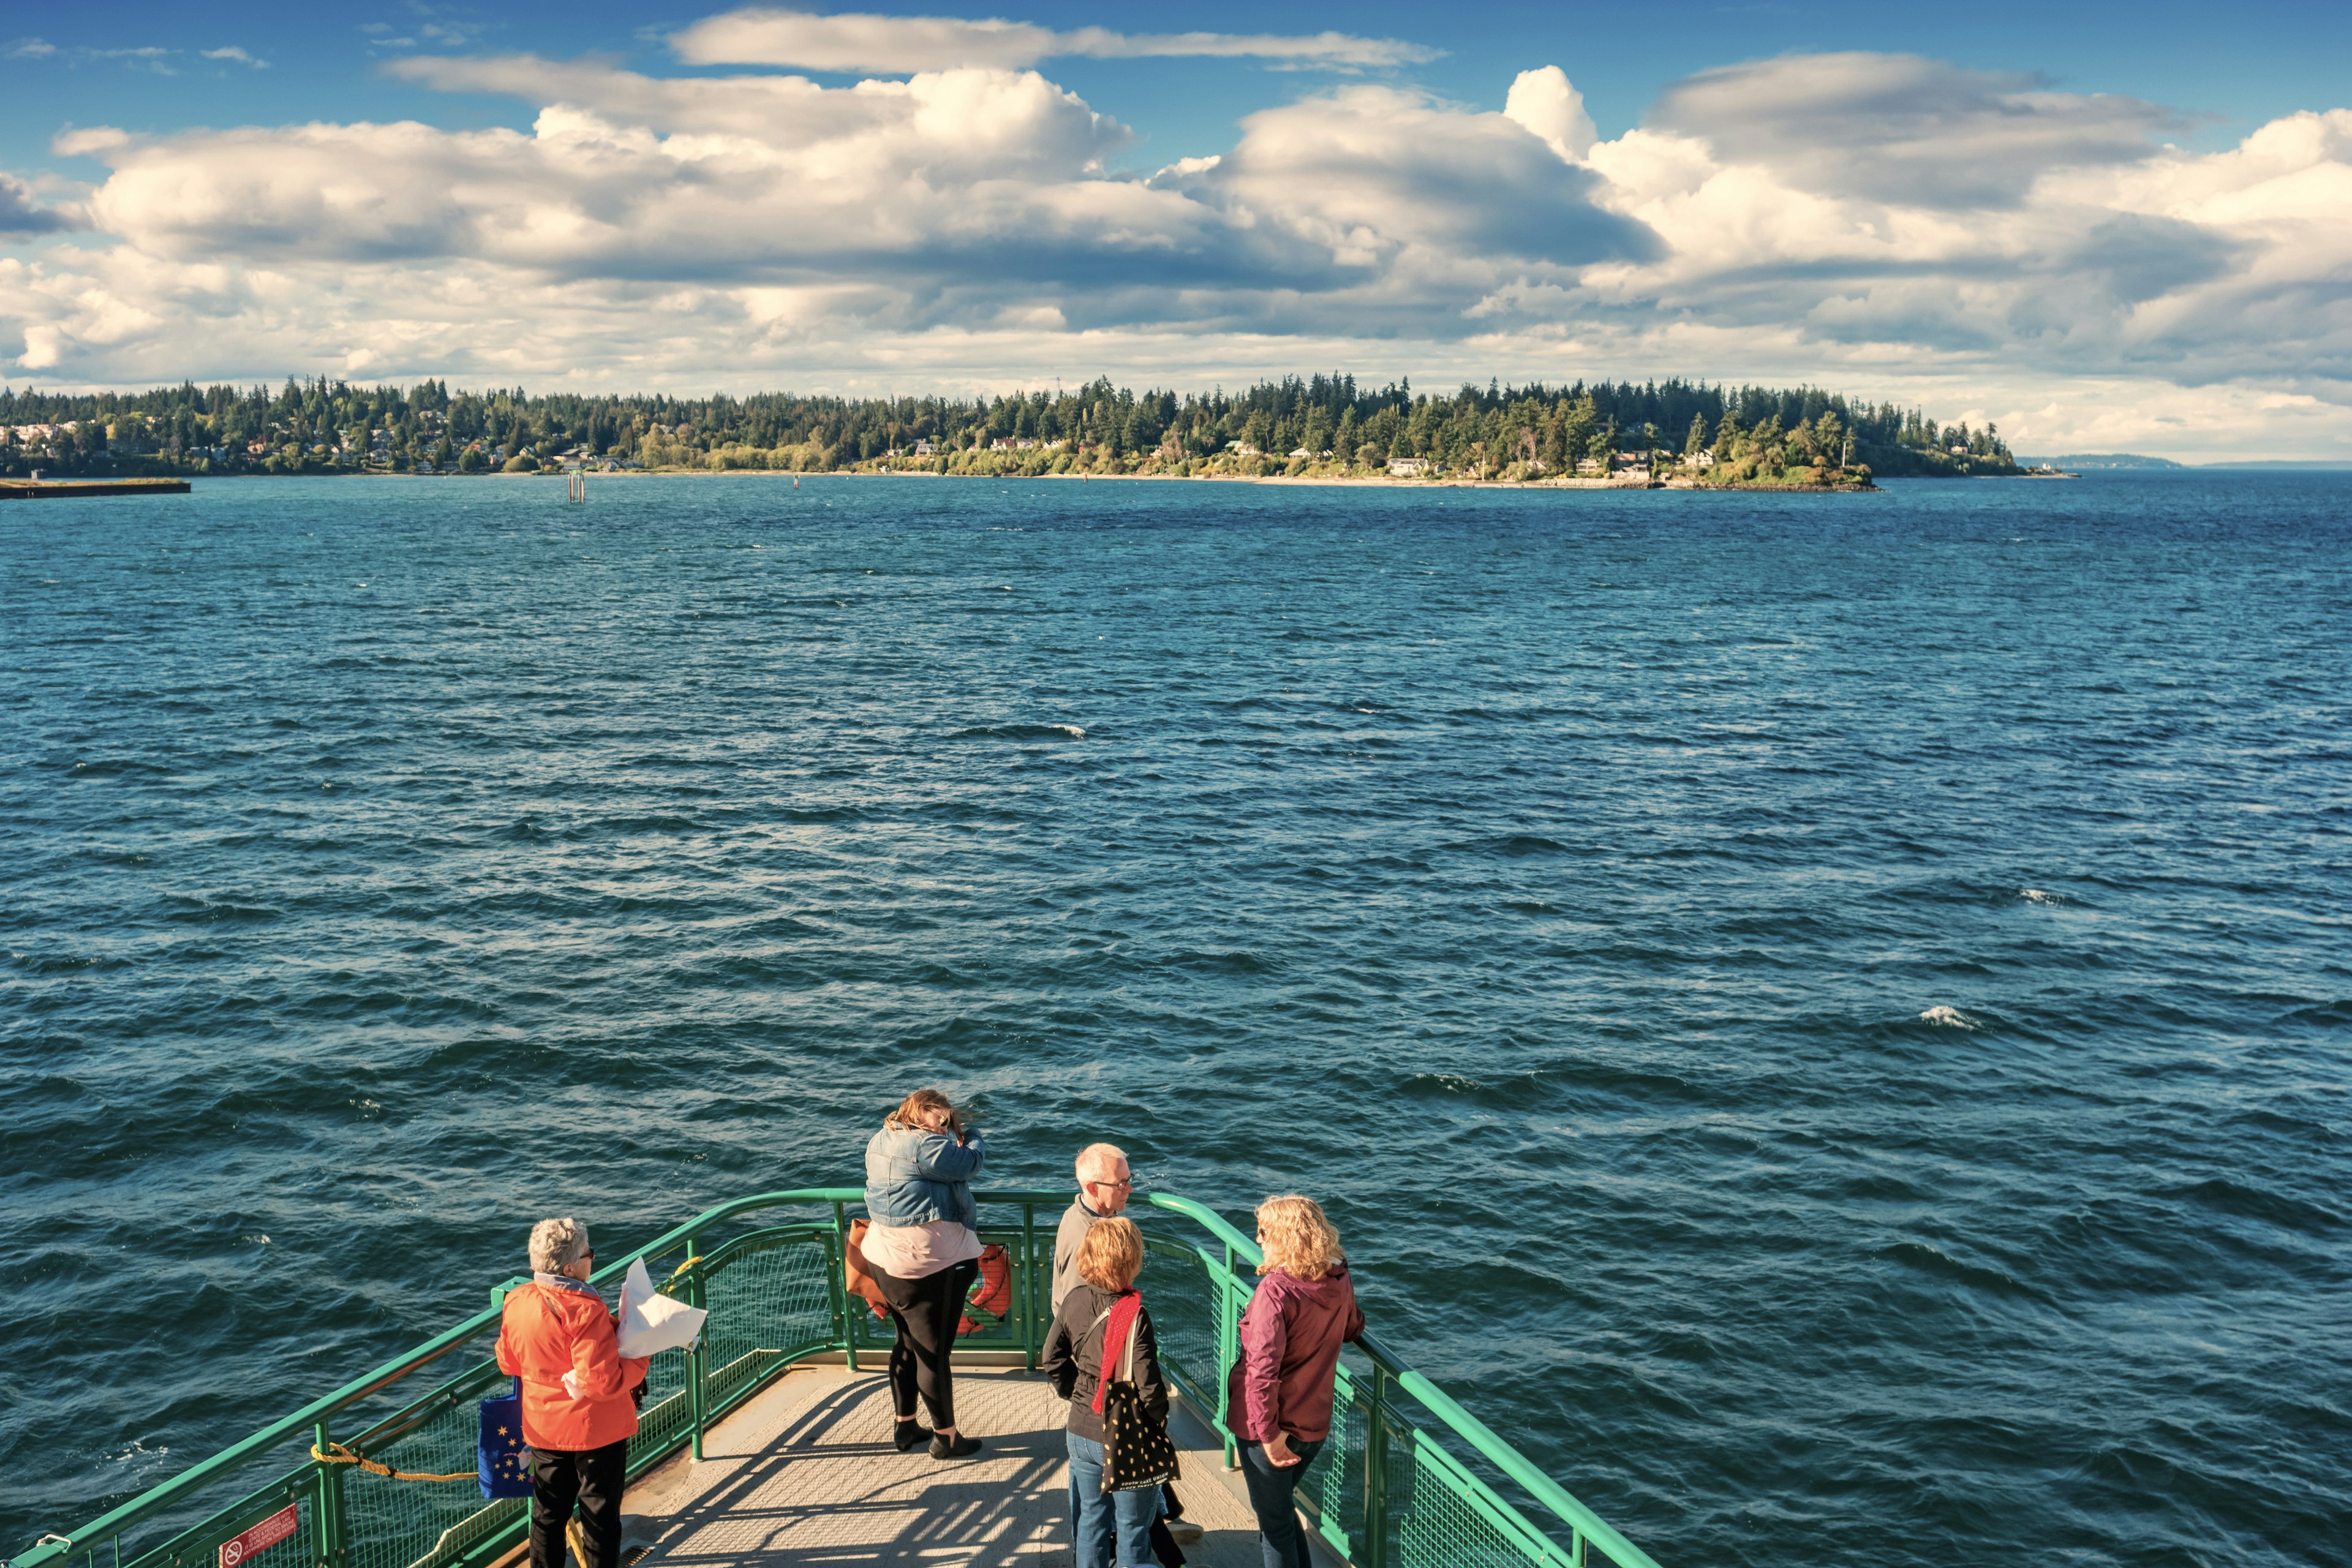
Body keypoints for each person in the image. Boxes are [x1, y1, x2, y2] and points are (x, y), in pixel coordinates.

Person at [496, 1218, 649, 1568]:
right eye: (589, 1254)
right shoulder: (584, 1309)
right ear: (570, 1267)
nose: (592, 1259)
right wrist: (642, 1355)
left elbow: (507, 1361)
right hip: (595, 1431)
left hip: (544, 1428)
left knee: (548, 1515)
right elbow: (602, 1382)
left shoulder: (517, 1300)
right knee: (599, 1517)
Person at [1226, 1196, 1365, 1568]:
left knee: (1274, 1527)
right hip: (1313, 1426)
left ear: (1285, 1237)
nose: (1257, 1239)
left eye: (1265, 1231)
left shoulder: (1276, 1291)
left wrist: (1269, 1436)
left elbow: (1262, 1371)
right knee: (1283, 1516)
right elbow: (1353, 1327)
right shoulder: (1337, 1274)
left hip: (1269, 1429)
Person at [863, 1087, 986, 1459]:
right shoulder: (926, 1147)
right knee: (933, 1355)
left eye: (949, 1119)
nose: (945, 1124)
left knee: (905, 1343)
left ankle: (905, 1426)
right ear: (919, 1111)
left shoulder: (881, 1139)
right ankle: (946, 1438)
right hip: (927, 1267)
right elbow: (971, 1164)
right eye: (940, 1116)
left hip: (885, 1260)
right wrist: (973, 1138)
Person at [1042, 1217, 1169, 1568]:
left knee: (1091, 1522)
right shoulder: (1135, 1314)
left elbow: (1051, 1359)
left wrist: (1078, 1392)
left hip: (1080, 1432)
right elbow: (1149, 1386)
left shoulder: (1075, 1299)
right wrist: (1158, 1422)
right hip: (1123, 1436)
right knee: (1131, 1529)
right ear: (1131, 1259)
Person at [1052, 1142, 1133, 1313]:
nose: (1129, 1189)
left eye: (1129, 1180)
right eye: (1120, 1184)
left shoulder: (1076, 1213)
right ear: (1093, 1188)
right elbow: (1075, 1311)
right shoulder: (1084, 1239)